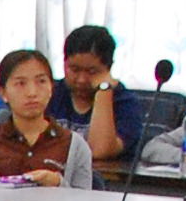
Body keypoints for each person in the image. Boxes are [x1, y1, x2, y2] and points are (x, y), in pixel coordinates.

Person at [0, 49, 86, 185]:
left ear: (51, 88)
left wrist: (58, 183)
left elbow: (86, 197)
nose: (32, 93)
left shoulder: (75, 144)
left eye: (41, 81)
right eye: (20, 83)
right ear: (3, 93)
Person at [57, 26, 144, 172]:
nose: (81, 79)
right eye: (74, 69)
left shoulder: (126, 104)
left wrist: (103, 90)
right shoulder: (51, 93)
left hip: (105, 183)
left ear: (108, 69)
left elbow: (98, 151)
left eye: (92, 72)